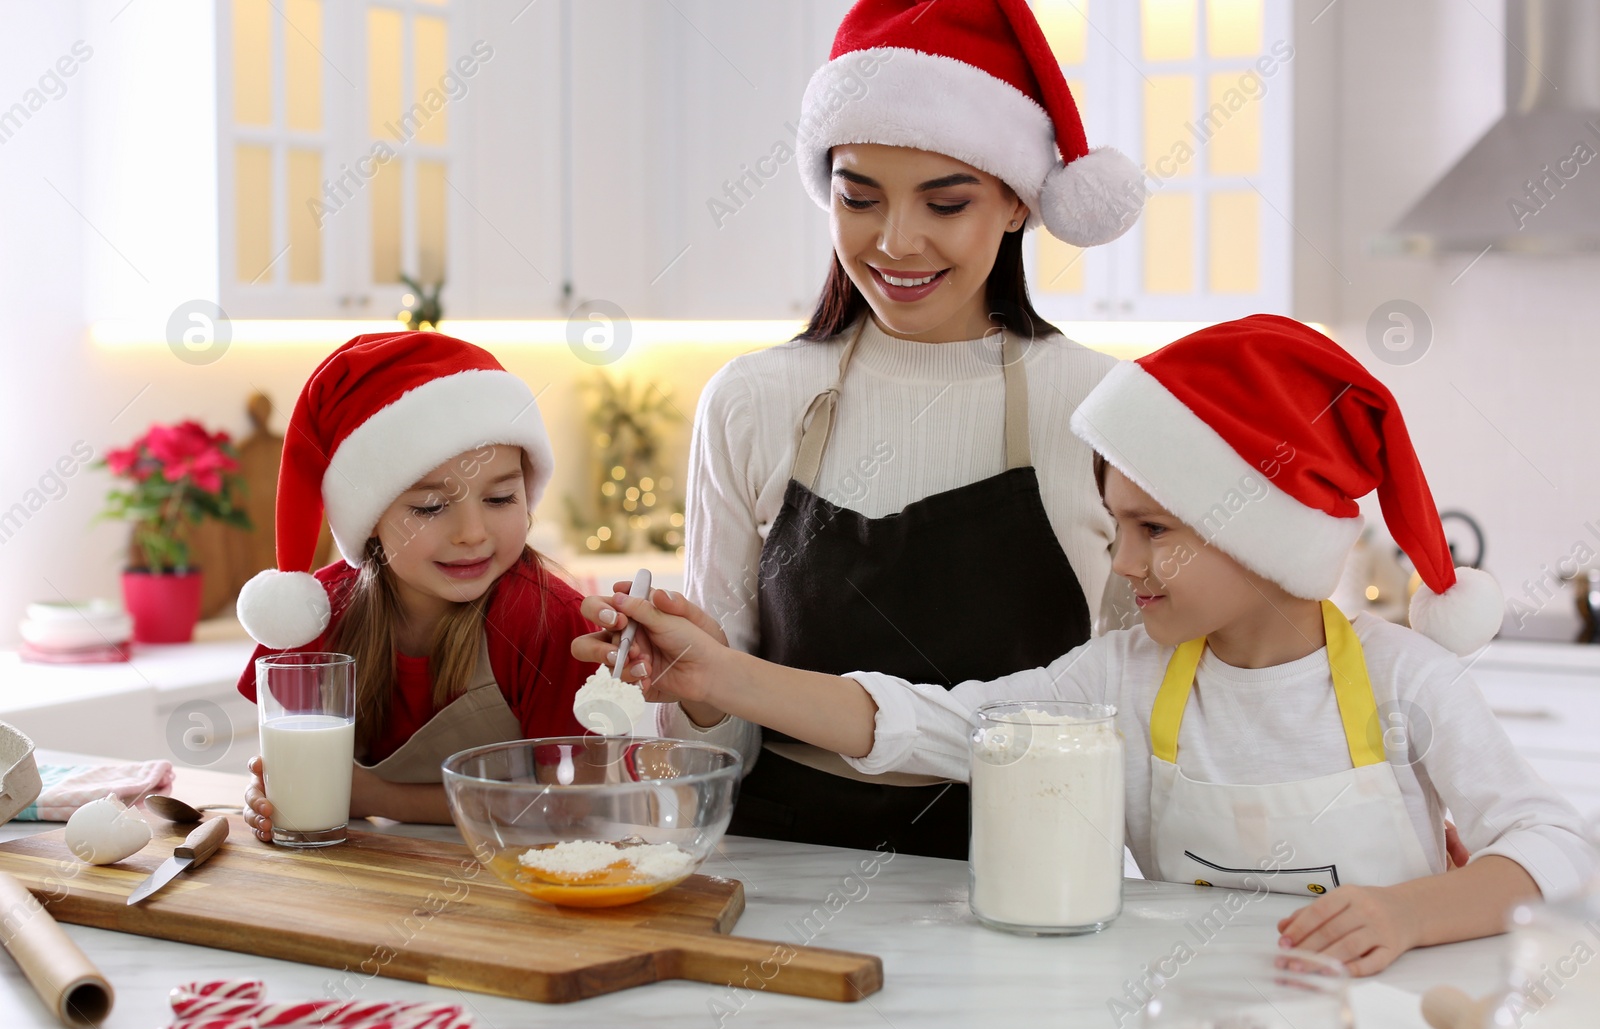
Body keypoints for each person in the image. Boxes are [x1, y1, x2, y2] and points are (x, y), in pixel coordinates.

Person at [578, 315, 1599, 976]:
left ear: (1255, 523)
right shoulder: (1119, 677)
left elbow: (1551, 840)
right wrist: (718, 674)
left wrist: (1414, 912)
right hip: (1186, 1021)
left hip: (1387, 1023)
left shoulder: (1400, 676)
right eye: (1119, 527)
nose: (1125, 562)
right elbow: (932, 722)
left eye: (1157, 529)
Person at [582, 0, 1146, 860]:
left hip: (1036, 871)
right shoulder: (751, 401)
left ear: (1017, 205)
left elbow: (1133, 706)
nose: (897, 242)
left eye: (945, 203)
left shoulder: (1103, 406)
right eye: (860, 198)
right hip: (786, 873)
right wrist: (689, 689)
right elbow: (712, 749)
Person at [235, 332, 592, 840]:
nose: (472, 534)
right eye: (429, 507)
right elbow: (285, 770)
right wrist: (267, 794)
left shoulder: (550, 621)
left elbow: (569, 804)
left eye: (501, 498)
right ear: (370, 519)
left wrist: (379, 799)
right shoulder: (316, 615)